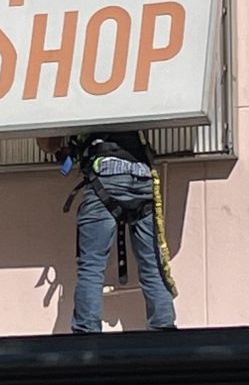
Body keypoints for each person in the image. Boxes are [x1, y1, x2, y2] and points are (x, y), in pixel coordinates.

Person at [38, 131, 177, 332]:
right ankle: (165, 332)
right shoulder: (135, 101)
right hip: (142, 175)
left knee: (91, 266)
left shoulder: (83, 102)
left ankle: (86, 338)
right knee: (152, 265)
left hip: (104, 176)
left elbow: (48, 143)